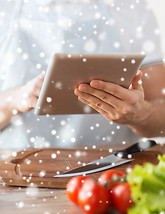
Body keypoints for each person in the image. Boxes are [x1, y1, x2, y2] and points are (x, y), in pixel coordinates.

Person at [0, 0, 164, 149]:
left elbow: (161, 115)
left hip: (110, 172)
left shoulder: (132, 9)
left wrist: (141, 115)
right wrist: (14, 99)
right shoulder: (5, 10)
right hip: (15, 174)